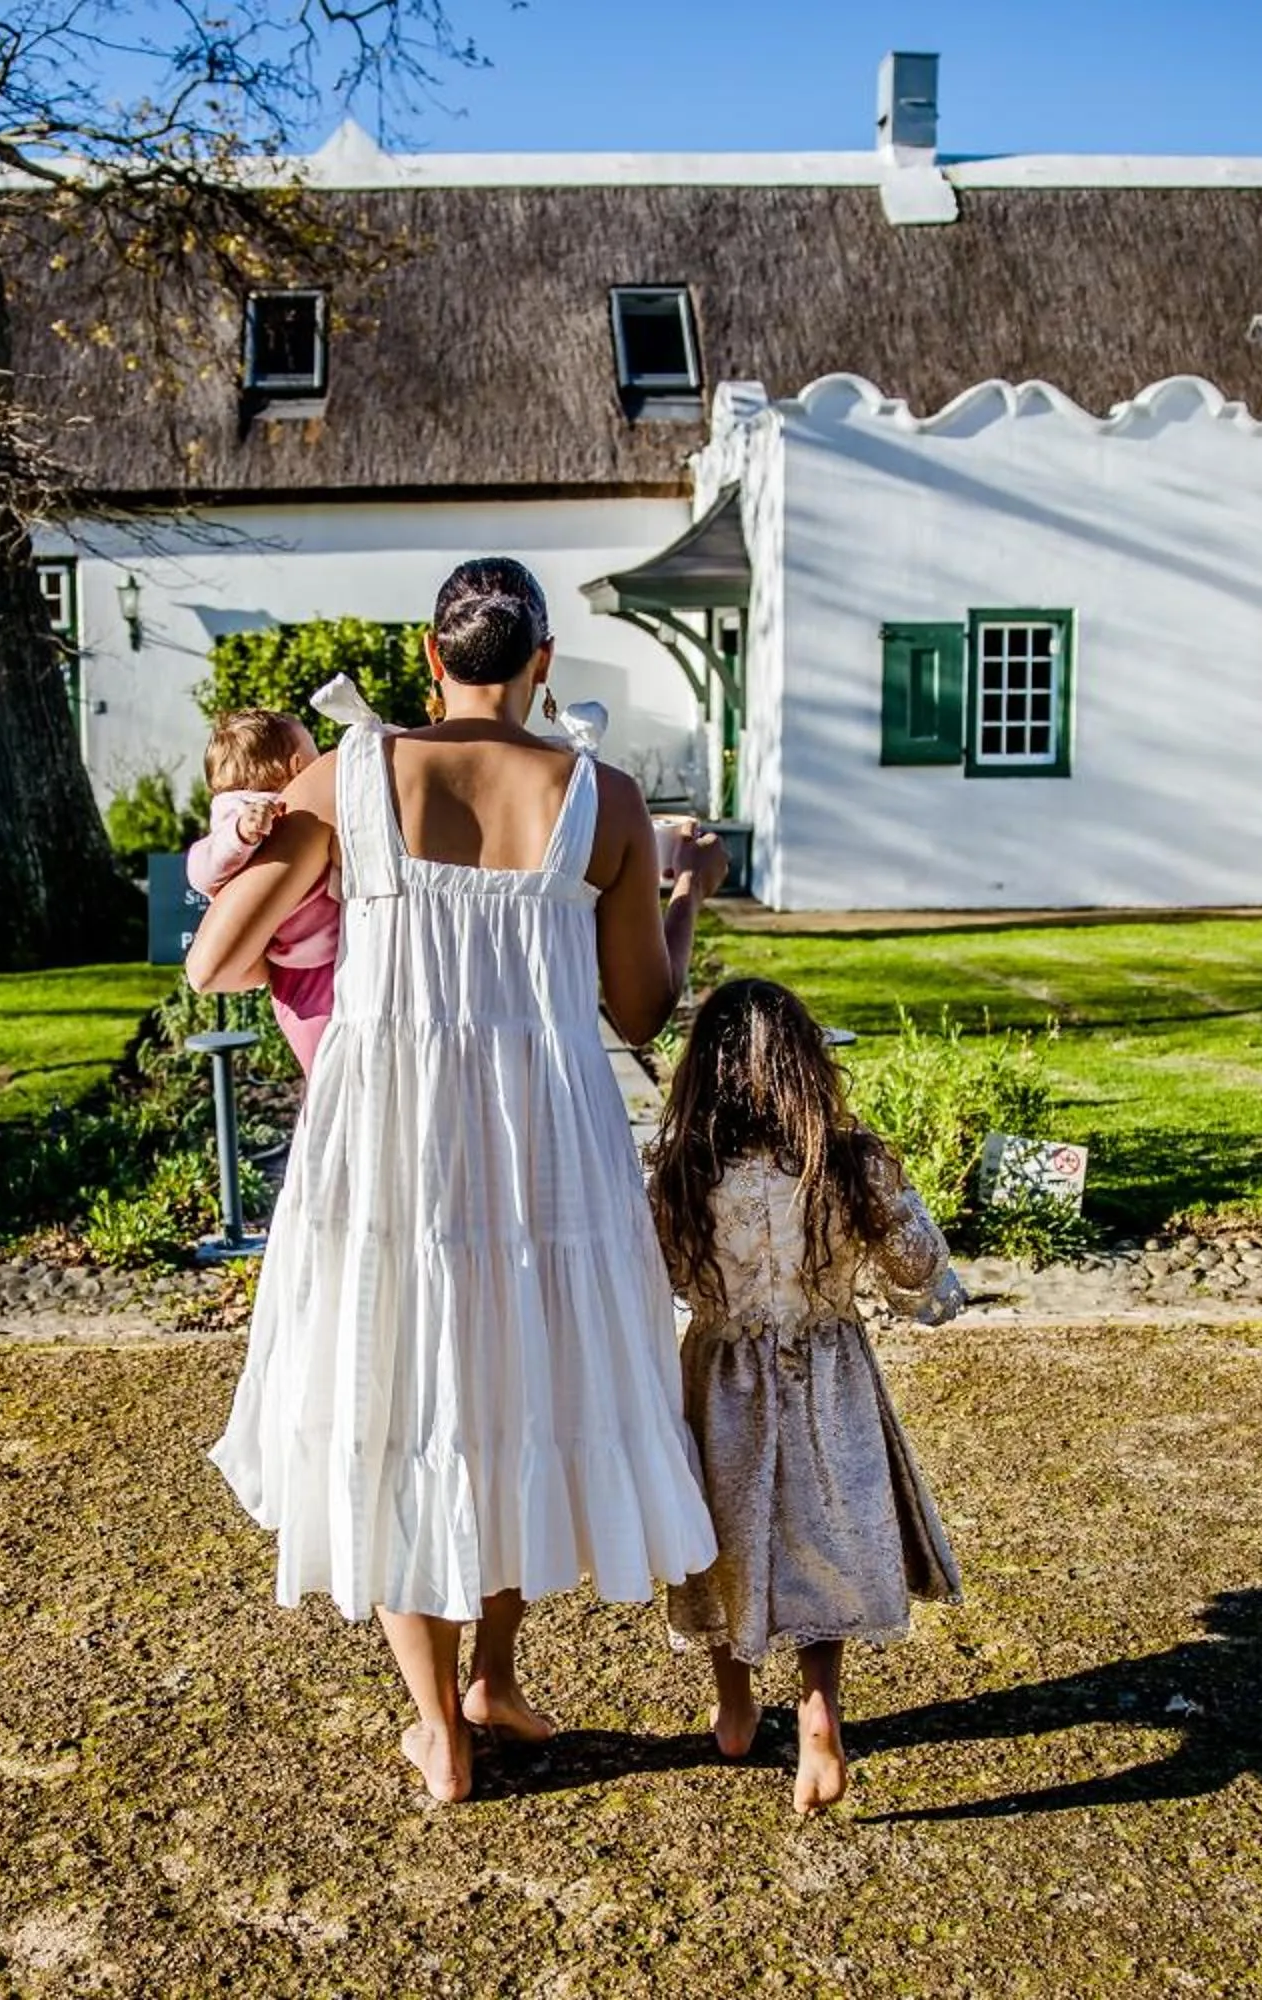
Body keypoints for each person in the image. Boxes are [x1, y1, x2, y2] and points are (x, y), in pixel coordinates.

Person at [189, 557, 728, 1805]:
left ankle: (444, 1722)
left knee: (396, 1401)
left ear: (431, 661)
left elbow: (220, 962)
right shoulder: (604, 799)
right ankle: (494, 1673)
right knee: (512, 1394)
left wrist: (259, 850)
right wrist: (682, 897)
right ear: (544, 667)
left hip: (389, 1148)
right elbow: (642, 1012)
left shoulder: (350, 775)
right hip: (543, 1146)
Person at [643, 977, 967, 1814]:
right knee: (822, 1531)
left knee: (725, 1537)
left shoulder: (679, 1171)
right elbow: (919, 1269)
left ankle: (736, 1706)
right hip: (830, 1374)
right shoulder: (849, 1163)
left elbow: (654, 1276)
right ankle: (819, 1712)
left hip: (721, 1378)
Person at [184, 707, 335, 1071]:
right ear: (298, 765)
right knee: (328, 1067)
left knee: (339, 1068)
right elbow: (200, 869)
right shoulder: (241, 814)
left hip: (321, 958)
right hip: (296, 969)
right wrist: (239, 834)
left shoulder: (292, 814)